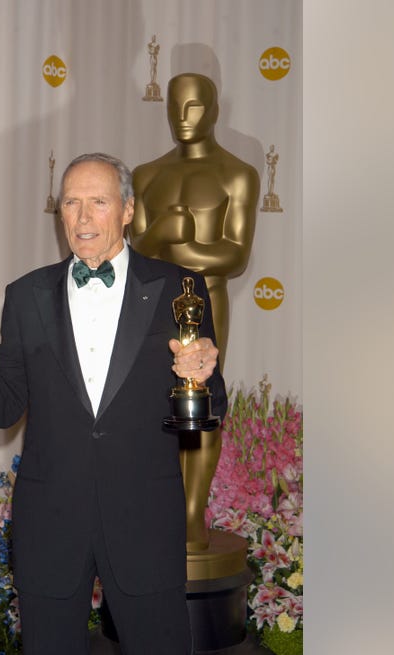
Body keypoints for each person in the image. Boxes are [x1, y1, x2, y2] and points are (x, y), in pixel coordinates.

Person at [0, 153, 226, 655]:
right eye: (70, 203)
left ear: (128, 211)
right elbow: (4, 401)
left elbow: (210, 409)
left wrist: (206, 374)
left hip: (144, 521)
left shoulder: (179, 290)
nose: (81, 218)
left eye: (98, 202)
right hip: (51, 523)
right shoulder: (26, 295)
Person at [130, 73, 259, 553]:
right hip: (149, 303)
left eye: (195, 107)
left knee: (202, 404)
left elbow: (234, 256)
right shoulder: (146, 175)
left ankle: (191, 515)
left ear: (215, 108)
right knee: (148, 404)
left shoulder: (237, 174)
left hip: (207, 298)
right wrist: (165, 229)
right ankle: (158, 509)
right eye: (175, 107)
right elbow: (138, 250)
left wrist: (175, 242)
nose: (182, 119)